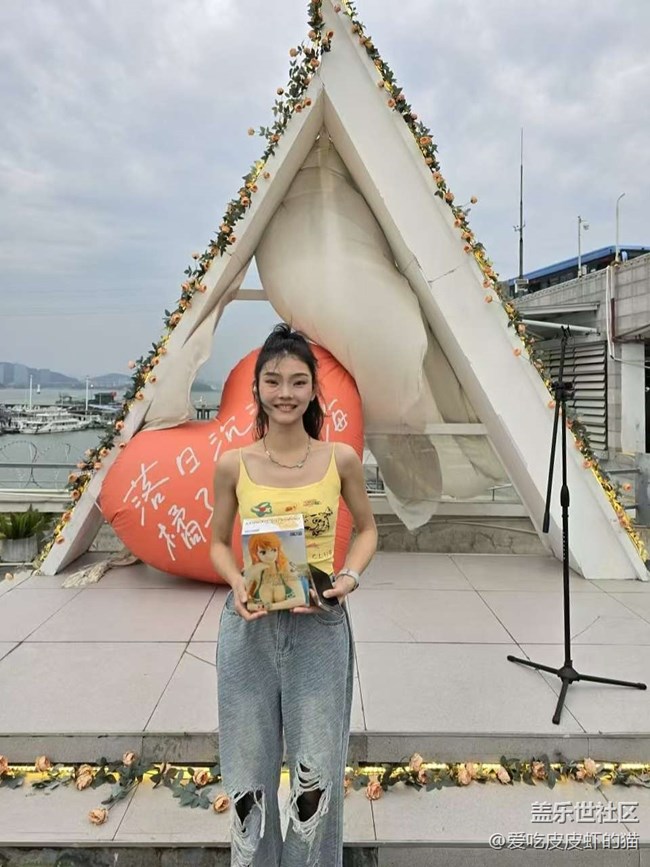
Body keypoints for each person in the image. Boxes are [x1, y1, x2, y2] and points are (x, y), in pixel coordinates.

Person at [211, 323, 377, 867]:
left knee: (316, 779)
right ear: (257, 387)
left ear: (312, 390)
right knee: (248, 778)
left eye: (298, 381)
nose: (285, 392)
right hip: (250, 629)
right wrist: (237, 582)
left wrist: (349, 578)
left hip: (319, 626)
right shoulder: (234, 464)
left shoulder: (340, 459)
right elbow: (216, 542)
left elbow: (369, 531)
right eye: (273, 380)